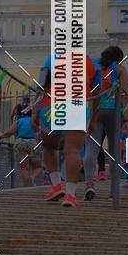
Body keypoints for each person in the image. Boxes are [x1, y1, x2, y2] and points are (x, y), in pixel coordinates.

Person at [31, 54, 99, 208]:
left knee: (48, 146)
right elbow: (96, 93)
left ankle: (56, 186)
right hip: (78, 106)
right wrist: (93, 119)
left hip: (51, 106)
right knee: (72, 151)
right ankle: (70, 194)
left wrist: (34, 112)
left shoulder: (51, 58)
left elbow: (41, 86)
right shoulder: (92, 62)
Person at [83, 46, 128, 201]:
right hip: (113, 111)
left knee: (91, 150)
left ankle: (89, 184)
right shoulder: (120, 69)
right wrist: (125, 116)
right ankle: (113, 190)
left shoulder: (92, 66)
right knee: (115, 152)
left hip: (93, 109)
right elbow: (123, 95)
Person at [0, 101, 42, 186]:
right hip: (33, 142)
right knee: (38, 167)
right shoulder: (34, 121)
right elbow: (39, 132)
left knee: (24, 168)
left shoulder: (19, 121)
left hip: (20, 142)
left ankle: (27, 186)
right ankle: (32, 177)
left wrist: (2, 136)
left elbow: (10, 132)